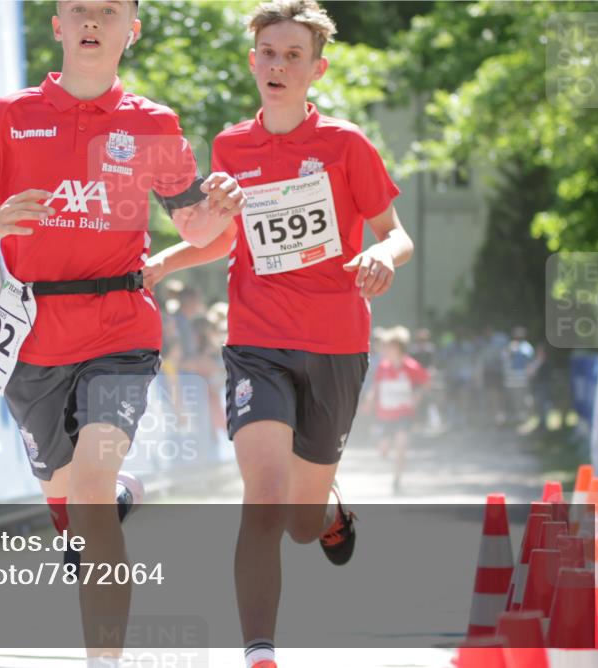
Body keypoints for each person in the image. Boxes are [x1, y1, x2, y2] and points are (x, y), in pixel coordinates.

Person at [0, 1, 244, 663]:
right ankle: (106, 501)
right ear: (57, 24)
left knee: (92, 491)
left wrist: (215, 211)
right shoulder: (9, 117)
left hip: (119, 331)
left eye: (110, 10)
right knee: (71, 505)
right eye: (79, 7)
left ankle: (103, 658)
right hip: (33, 337)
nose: (93, 20)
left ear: (132, 29)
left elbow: (198, 231)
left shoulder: (153, 124)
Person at [144, 2, 414, 665]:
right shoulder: (231, 146)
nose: (278, 65)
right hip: (256, 341)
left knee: (298, 523)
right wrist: (156, 264)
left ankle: (327, 514)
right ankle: (259, 652)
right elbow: (225, 238)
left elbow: (397, 233)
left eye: (294, 56)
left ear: (316, 69)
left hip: (336, 344)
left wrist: (383, 257)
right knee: (262, 494)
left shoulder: (347, 145)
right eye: (269, 52)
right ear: (252, 61)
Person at [366, 326, 430, 492]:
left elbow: (426, 382)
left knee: (401, 444)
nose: (385, 350)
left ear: (398, 347)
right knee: (384, 449)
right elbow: (376, 385)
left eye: (388, 347)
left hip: (404, 413)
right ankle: (386, 450)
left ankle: (397, 478)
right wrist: (369, 399)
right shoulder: (383, 366)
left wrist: (417, 397)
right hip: (385, 414)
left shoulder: (411, 366)